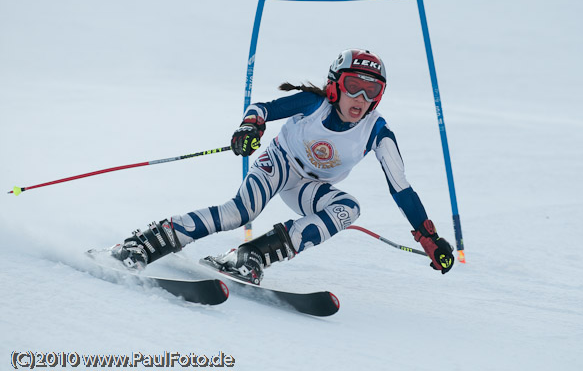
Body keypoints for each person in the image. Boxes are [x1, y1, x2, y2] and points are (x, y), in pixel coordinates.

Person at [111, 49, 454, 284]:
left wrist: (428, 237)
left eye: (371, 91)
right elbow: (262, 108)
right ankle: (147, 242)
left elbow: (402, 189)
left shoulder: (378, 131)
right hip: (279, 163)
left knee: (349, 208)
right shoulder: (315, 103)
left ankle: (252, 255)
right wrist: (249, 127)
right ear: (336, 86)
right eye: (354, 87)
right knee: (239, 213)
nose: (361, 99)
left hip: (308, 187)